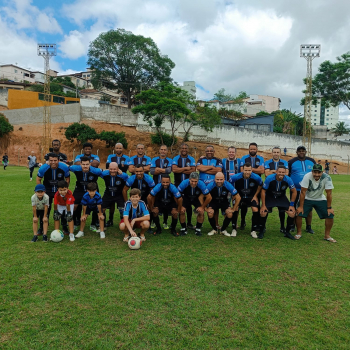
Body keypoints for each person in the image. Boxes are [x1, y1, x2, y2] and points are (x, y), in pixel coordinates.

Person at [295, 164, 336, 242]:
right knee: (299, 213)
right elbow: (303, 192)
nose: (317, 174)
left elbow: (329, 193)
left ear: (322, 172)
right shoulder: (307, 176)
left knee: (330, 215)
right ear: (312, 171)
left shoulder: (327, 177)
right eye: (315, 172)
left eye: (319, 172)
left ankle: (327, 236)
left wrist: (329, 208)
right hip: (307, 198)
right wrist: (300, 206)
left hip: (320, 198)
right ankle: (299, 233)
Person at [259, 166, 297, 240]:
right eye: (279, 172)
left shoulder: (288, 179)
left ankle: (287, 232)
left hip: (281, 197)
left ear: (285, 173)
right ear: (276, 172)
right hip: (270, 197)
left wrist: (292, 205)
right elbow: (263, 191)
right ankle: (261, 231)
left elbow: (294, 191)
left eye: (283, 172)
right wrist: (263, 205)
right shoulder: (269, 178)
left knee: (292, 213)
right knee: (263, 212)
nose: (281, 174)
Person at [36, 153, 70, 234]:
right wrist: (41, 191)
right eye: (51, 160)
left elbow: (67, 179)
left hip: (60, 191)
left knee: (63, 209)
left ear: (58, 160)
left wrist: (64, 190)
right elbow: (38, 179)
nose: (53, 162)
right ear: (48, 161)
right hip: (47, 191)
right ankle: (42, 227)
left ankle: (64, 227)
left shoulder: (64, 167)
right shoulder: (43, 168)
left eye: (55, 160)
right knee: (45, 209)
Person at [229, 163, 263, 238]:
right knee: (236, 208)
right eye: (246, 170)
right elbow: (229, 183)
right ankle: (234, 229)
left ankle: (253, 230)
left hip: (251, 196)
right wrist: (234, 194)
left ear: (251, 170)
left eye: (249, 170)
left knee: (255, 209)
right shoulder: (236, 177)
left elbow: (261, 185)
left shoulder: (257, 177)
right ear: (243, 170)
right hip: (239, 196)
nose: (247, 172)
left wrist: (255, 195)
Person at [288, 145, 316, 234]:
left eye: (303, 151)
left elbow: (315, 174)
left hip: (308, 190)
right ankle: (292, 225)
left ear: (305, 152)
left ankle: (308, 226)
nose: (301, 152)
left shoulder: (311, 161)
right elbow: (287, 174)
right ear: (297, 152)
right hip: (295, 190)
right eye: (299, 151)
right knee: (294, 207)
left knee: (309, 209)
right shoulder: (291, 162)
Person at [69, 156, 102, 231]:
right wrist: (48, 163)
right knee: (74, 205)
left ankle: (93, 224)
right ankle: (74, 223)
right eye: (83, 164)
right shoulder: (76, 168)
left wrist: (117, 171)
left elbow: (106, 173)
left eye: (87, 164)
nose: (85, 166)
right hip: (79, 190)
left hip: (92, 190)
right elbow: (66, 166)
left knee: (96, 206)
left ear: (90, 164)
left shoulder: (96, 171)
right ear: (80, 164)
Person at [206, 172, 240, 237]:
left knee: (230, 214)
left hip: (224, 202)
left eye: (221, 179)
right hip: (214, 202)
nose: (219, 181)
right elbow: (202, 196)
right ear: (214, 179)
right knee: (210, 213)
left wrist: (233, 208)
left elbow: (238, 196)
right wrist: (205, 208)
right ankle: (214, 229)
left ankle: (223, 230)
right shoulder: (210, 185)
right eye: (217, 179)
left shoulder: (228, 185)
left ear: (224, 179)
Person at [177, 172, 212, 236]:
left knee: (201, 212)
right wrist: (180, 206)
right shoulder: (184, 183)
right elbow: (176, 195)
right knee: (181, 211)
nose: (194, 183)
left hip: (196, 198)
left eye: (196, 181)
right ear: (189, 179)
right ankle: (183, 229)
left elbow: (209, 197)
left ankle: (198, 229)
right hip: (186, 198)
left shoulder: (201, 184)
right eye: (192, 181)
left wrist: (202, 207)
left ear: (198, 180)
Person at [239, 143, 264, 228]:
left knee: (256, 203)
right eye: (251, 149)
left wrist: (249, 169)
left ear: (257, 149)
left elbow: (262, 171)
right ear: (249, 149)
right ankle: (243, 221)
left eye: (254, 149)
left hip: (257, 185)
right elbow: (242, 170)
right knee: (244, 204)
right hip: (246, 184)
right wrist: (256, 169)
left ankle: (256, 223)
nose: (252, 150)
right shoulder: (244, 158)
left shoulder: (260, 158)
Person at [172, 143, 196, 229]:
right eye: (183, 148)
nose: (184, 149)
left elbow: (193, 171)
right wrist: (186, 168)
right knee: (177, 203)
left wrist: (180, 170)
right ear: (180, 149)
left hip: (188, 185)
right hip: (178, 184)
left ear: (188, 150)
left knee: (188, 204)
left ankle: (189, 223)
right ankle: (175, 224)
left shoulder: (191, 159)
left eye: (186, 148)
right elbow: (174, 170)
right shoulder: (176, 158)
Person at [150, 145, 173, 229]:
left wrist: (158, 169)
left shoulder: (170, 160)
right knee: (154, 203)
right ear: (159, 150)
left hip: (166, 185)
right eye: (161, 149)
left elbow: (169, 171)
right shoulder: (154, 159)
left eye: (165, 150)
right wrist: (163, 170)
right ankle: (153, 221)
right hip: (156, 185)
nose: (163, 151)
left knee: (165, 203)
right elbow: (152, 171)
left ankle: (165, 222)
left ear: (167, 151)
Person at [100, 162, 129, 227]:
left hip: (119, 194)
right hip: (108, 194)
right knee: (102, 209)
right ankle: (105, 223)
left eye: (114, 169)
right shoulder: (104, 174)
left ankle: (123, 224)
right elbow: (98, 173)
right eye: (111, 169)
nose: (112, 171)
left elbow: (130, 180)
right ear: (108, 169)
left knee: (122, 210)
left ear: (118, 169)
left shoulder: (123, 175)